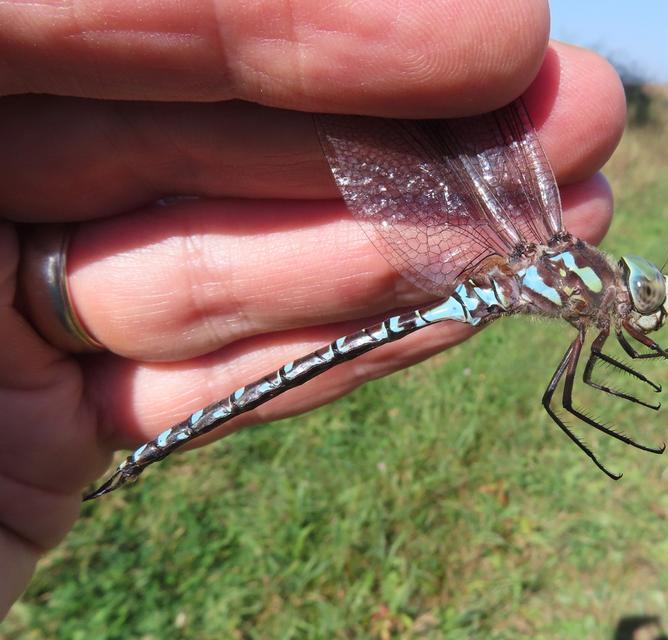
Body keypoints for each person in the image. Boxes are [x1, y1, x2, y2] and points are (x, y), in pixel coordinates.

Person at [0, 0, 625, 616]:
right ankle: (141, 456)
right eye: (639, 293)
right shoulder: (565, 264)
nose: (633, 304)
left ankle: (123, 466)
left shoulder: (567, 268)